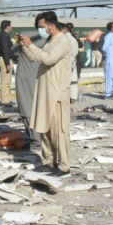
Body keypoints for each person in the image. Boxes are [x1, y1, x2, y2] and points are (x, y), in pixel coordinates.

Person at [19, 11, 73, 176]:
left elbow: (48, 59)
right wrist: (25, 46)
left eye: (42, 27)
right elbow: (36, 58)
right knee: (45, 130)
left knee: (59, 132)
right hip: (45, 91)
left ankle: (64, 166)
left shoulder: (63, 41)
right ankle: (48, 162)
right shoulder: (49, 41)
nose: (40, 30)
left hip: (57, 92)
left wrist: (31, 45)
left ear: (51, 25)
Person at [11, 30, 44, 146]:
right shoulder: (51, 39)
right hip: (42, 77)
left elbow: (13, 54)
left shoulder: (24, 36)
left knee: (27, 106)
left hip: (25, 76)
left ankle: (35, 138)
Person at [0, 20, 14, 105]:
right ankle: (5, 101)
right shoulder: (4, 35)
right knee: (5, 81)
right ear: (7, 26)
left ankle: (7, 99)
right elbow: (5, 49)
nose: (11, 27)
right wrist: (7, 63)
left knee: (8, 81)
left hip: (5, 59)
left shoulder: (4, 35)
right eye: (10, 26)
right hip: (4, 59)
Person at [65, 23, 81, 103]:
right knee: (73, 81)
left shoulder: (65, 39)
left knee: (68, 81)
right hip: (73, 62)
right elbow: (76, 51)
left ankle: (69, 97)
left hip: (67, 62)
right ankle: (73, 98)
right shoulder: (73, 39)